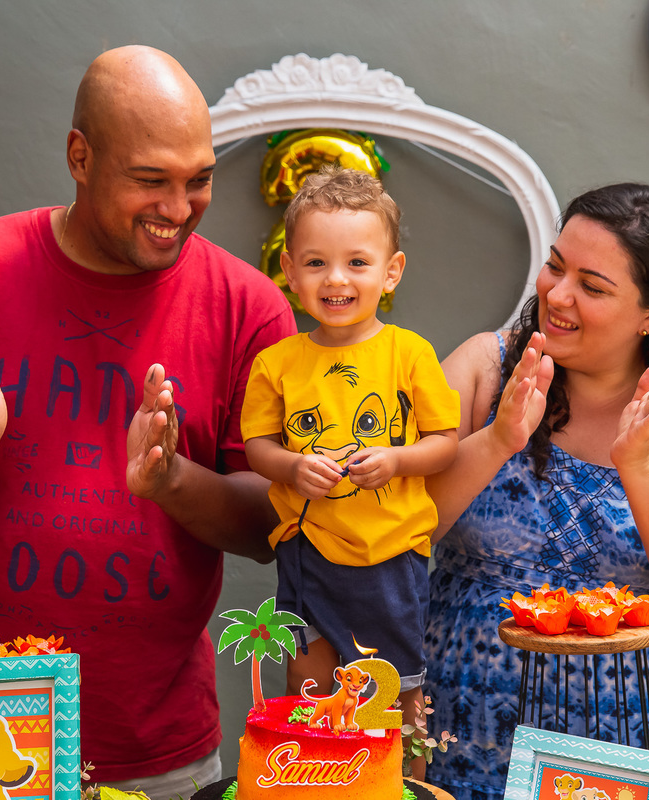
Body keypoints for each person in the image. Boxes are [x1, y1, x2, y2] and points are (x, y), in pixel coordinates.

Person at [0, 46, 296, 795]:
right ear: (80, 157)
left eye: (199, 180)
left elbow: (268, 527)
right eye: (151, 180)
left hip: (158, 747)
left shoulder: (250, 308)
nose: (179, 209)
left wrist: (173, 479)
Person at [422, 183, 649, 800]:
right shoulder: (485, 370)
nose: (557, 296)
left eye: (592, 286)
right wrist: (497, 441)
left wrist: (641, 468)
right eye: (556, 267)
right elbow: (395, 530)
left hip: (636, 750)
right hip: (463, 735)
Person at [240, 167, 460, 770]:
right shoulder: (277, 363)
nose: (336, 279)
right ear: (288, 271)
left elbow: (446, 442)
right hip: (308, 553)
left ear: (391, 272)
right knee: (311, 684)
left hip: (390, 558)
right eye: (315, 263)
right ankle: (320, 777)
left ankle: (406, 783)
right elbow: (257, 447)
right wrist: (290, 467)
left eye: (357, 263)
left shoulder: (408, 353)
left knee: (397, 687)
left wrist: (396, 459)